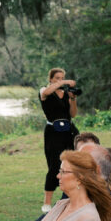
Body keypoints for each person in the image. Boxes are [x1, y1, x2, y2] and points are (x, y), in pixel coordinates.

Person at [39, 67, 79, 212]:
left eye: (62, 78)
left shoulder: (65, 94)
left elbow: (73, 114)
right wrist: (66, 82)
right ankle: (47, 202)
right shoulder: (44, 91)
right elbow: (47, 92)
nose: (60, 81)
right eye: (57, 78)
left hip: (69, 131)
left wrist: (73, 98)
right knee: (54, 165)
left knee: (73, 164)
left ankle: (70, 196)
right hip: (53, 132)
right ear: (50, 79)